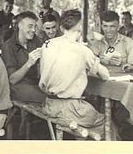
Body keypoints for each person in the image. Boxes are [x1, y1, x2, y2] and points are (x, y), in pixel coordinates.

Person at [39, 9, 116, 139]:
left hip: (49, 105)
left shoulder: (48, 44)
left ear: (61, 27)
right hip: (70, 108)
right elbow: (105, 75)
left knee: (87, 120)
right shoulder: (82, 50)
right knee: (108, 125)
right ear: (79, 27)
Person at [90, 10, 133, 140]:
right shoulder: (97, 44)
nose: (109, 30)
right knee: (100, 110)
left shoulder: (128, 42)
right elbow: (88, 64)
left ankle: (123, 136)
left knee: (122, 110)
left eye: (112, 26)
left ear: (118, 26)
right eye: (105, 26)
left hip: (121, 87)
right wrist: (100, 61)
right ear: (101, 26)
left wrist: (126, 64)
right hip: (101, 88)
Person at [1, 11, 46, 103]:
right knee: (46, 99)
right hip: (17, 86)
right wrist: (29, 63)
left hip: (35, 83)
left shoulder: (36, 41)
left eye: (35, 27)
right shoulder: (8, 46)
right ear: (19, 26)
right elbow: (12, 80)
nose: (33, 30)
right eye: (30, 26)